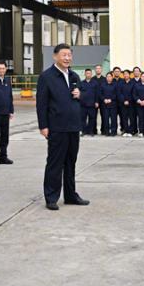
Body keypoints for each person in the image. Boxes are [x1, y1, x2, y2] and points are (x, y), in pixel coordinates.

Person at [36, 44, 89, 211]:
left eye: (69, 55)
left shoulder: (74, 76)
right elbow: (41, 103)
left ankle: (71, 195)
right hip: (57, 127)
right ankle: (51, 197)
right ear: (55, 56)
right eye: (64, 55)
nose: (67, 58)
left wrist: (81, 95)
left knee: (70, 163)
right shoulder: (47, 77)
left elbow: (85, 96)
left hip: (73, 126)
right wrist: (43, 126)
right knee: (55, 163)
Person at [78, 68, 99, 136]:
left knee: (92, 118)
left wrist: (96, 102)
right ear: (85, 74)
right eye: (87, 73)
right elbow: (79, 93)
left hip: (92, 104)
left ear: (91, 74)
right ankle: (84, 131)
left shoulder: (95, 83)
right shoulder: (81, 83)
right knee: (83, 119)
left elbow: (97, 93)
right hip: (83, 104)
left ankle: (91, 131)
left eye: (89, 73)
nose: (88, 74)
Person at [117, 68, 136, 136]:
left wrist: (128, 100)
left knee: (131, 118)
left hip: (131, 103)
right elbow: (119, 93)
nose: (125, 75)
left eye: (127, 74)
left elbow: (133, 93)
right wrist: (124, 100)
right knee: (124, 117)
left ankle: (131, 131)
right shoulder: (120, 83)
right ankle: (125, 131)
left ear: (129, 75)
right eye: (124, 74)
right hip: (123, 103)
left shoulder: (133, 83)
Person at [99, 72, 118, 136]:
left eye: (110, 76)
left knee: (113, 119)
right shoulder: (102, 85)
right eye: (107, 76)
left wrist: (111, 99)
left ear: (112, 77)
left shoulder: (115, 85)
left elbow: (116, 94)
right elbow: (100, 94)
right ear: (106, 78)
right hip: (105, 104)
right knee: (105, 119)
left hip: (113, 104)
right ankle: (106, 132)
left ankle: (113, 131)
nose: (109, 78)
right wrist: (104, 99)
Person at [93, 64, 106, 135]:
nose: (98, 70)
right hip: (94, 101)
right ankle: (94, 130)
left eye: (99, 68)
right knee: (94, 116)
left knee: (104, 116)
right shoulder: (92, 79)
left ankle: (103, 130)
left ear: (101, 70)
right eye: (97, 68)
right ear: (95, 70)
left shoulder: (104, 79)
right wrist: (95, 101)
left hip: (103, 101)